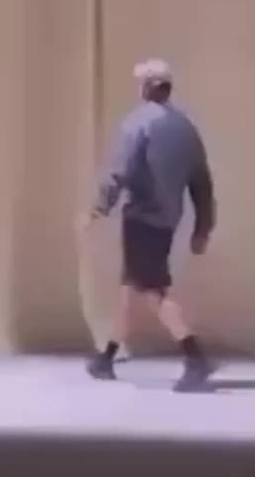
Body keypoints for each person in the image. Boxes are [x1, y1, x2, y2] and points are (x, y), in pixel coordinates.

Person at [81, 59, 216, 392]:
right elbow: (201, 182)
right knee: (132, 287)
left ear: (146, 88)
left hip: (142, 219)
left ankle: (195, 356)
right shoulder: (186, 129)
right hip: (168, 220)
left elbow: (119, 170)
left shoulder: (137, 123)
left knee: (154, 291)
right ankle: (106, 358)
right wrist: (202, 227)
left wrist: (97, 209)